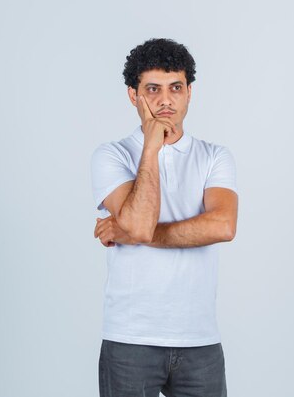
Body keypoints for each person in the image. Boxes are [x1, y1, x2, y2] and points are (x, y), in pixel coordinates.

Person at [91, 38, 238, 397]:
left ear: (189, 92)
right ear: (133, 95)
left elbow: (223, 226)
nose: (165, 100)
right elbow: (138, 224)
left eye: (175, 88)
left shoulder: (214, 156)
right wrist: (152, 146)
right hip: (131, 339)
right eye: (152, 89)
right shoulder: (112, 155)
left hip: (199, 340)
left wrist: (131, 232)